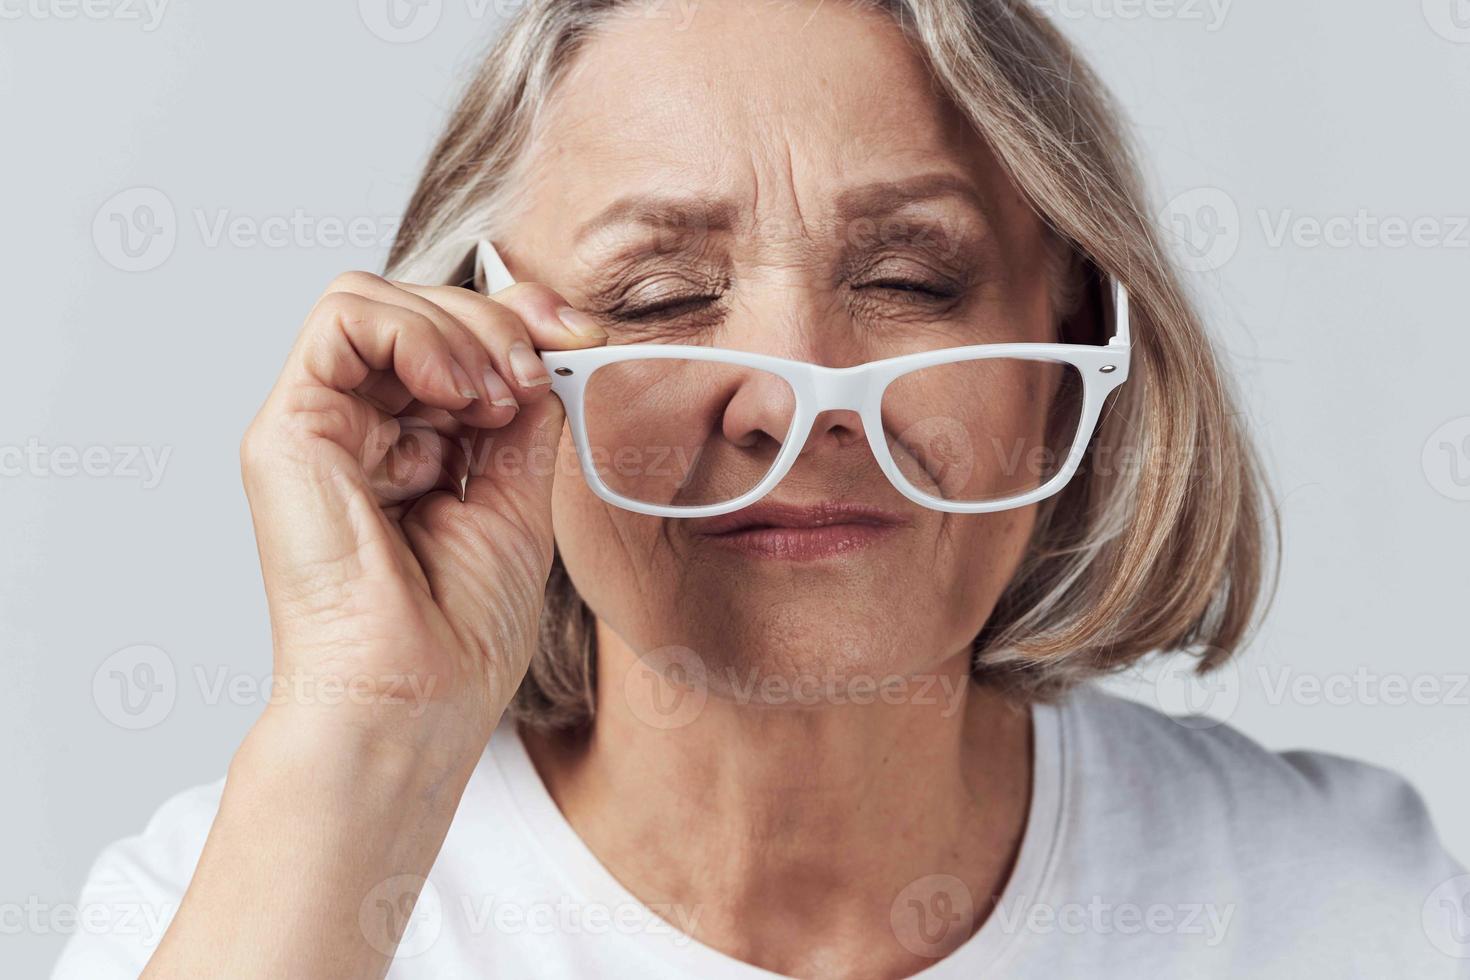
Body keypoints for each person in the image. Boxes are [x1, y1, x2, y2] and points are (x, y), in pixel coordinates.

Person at [55, 1, 1469, 977]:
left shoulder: (1346, 905)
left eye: (910, 280)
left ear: (1071, 358)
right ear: (474, 362)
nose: (793, 397)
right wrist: (367, 737)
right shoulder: (244, 897)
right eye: (660, 294)